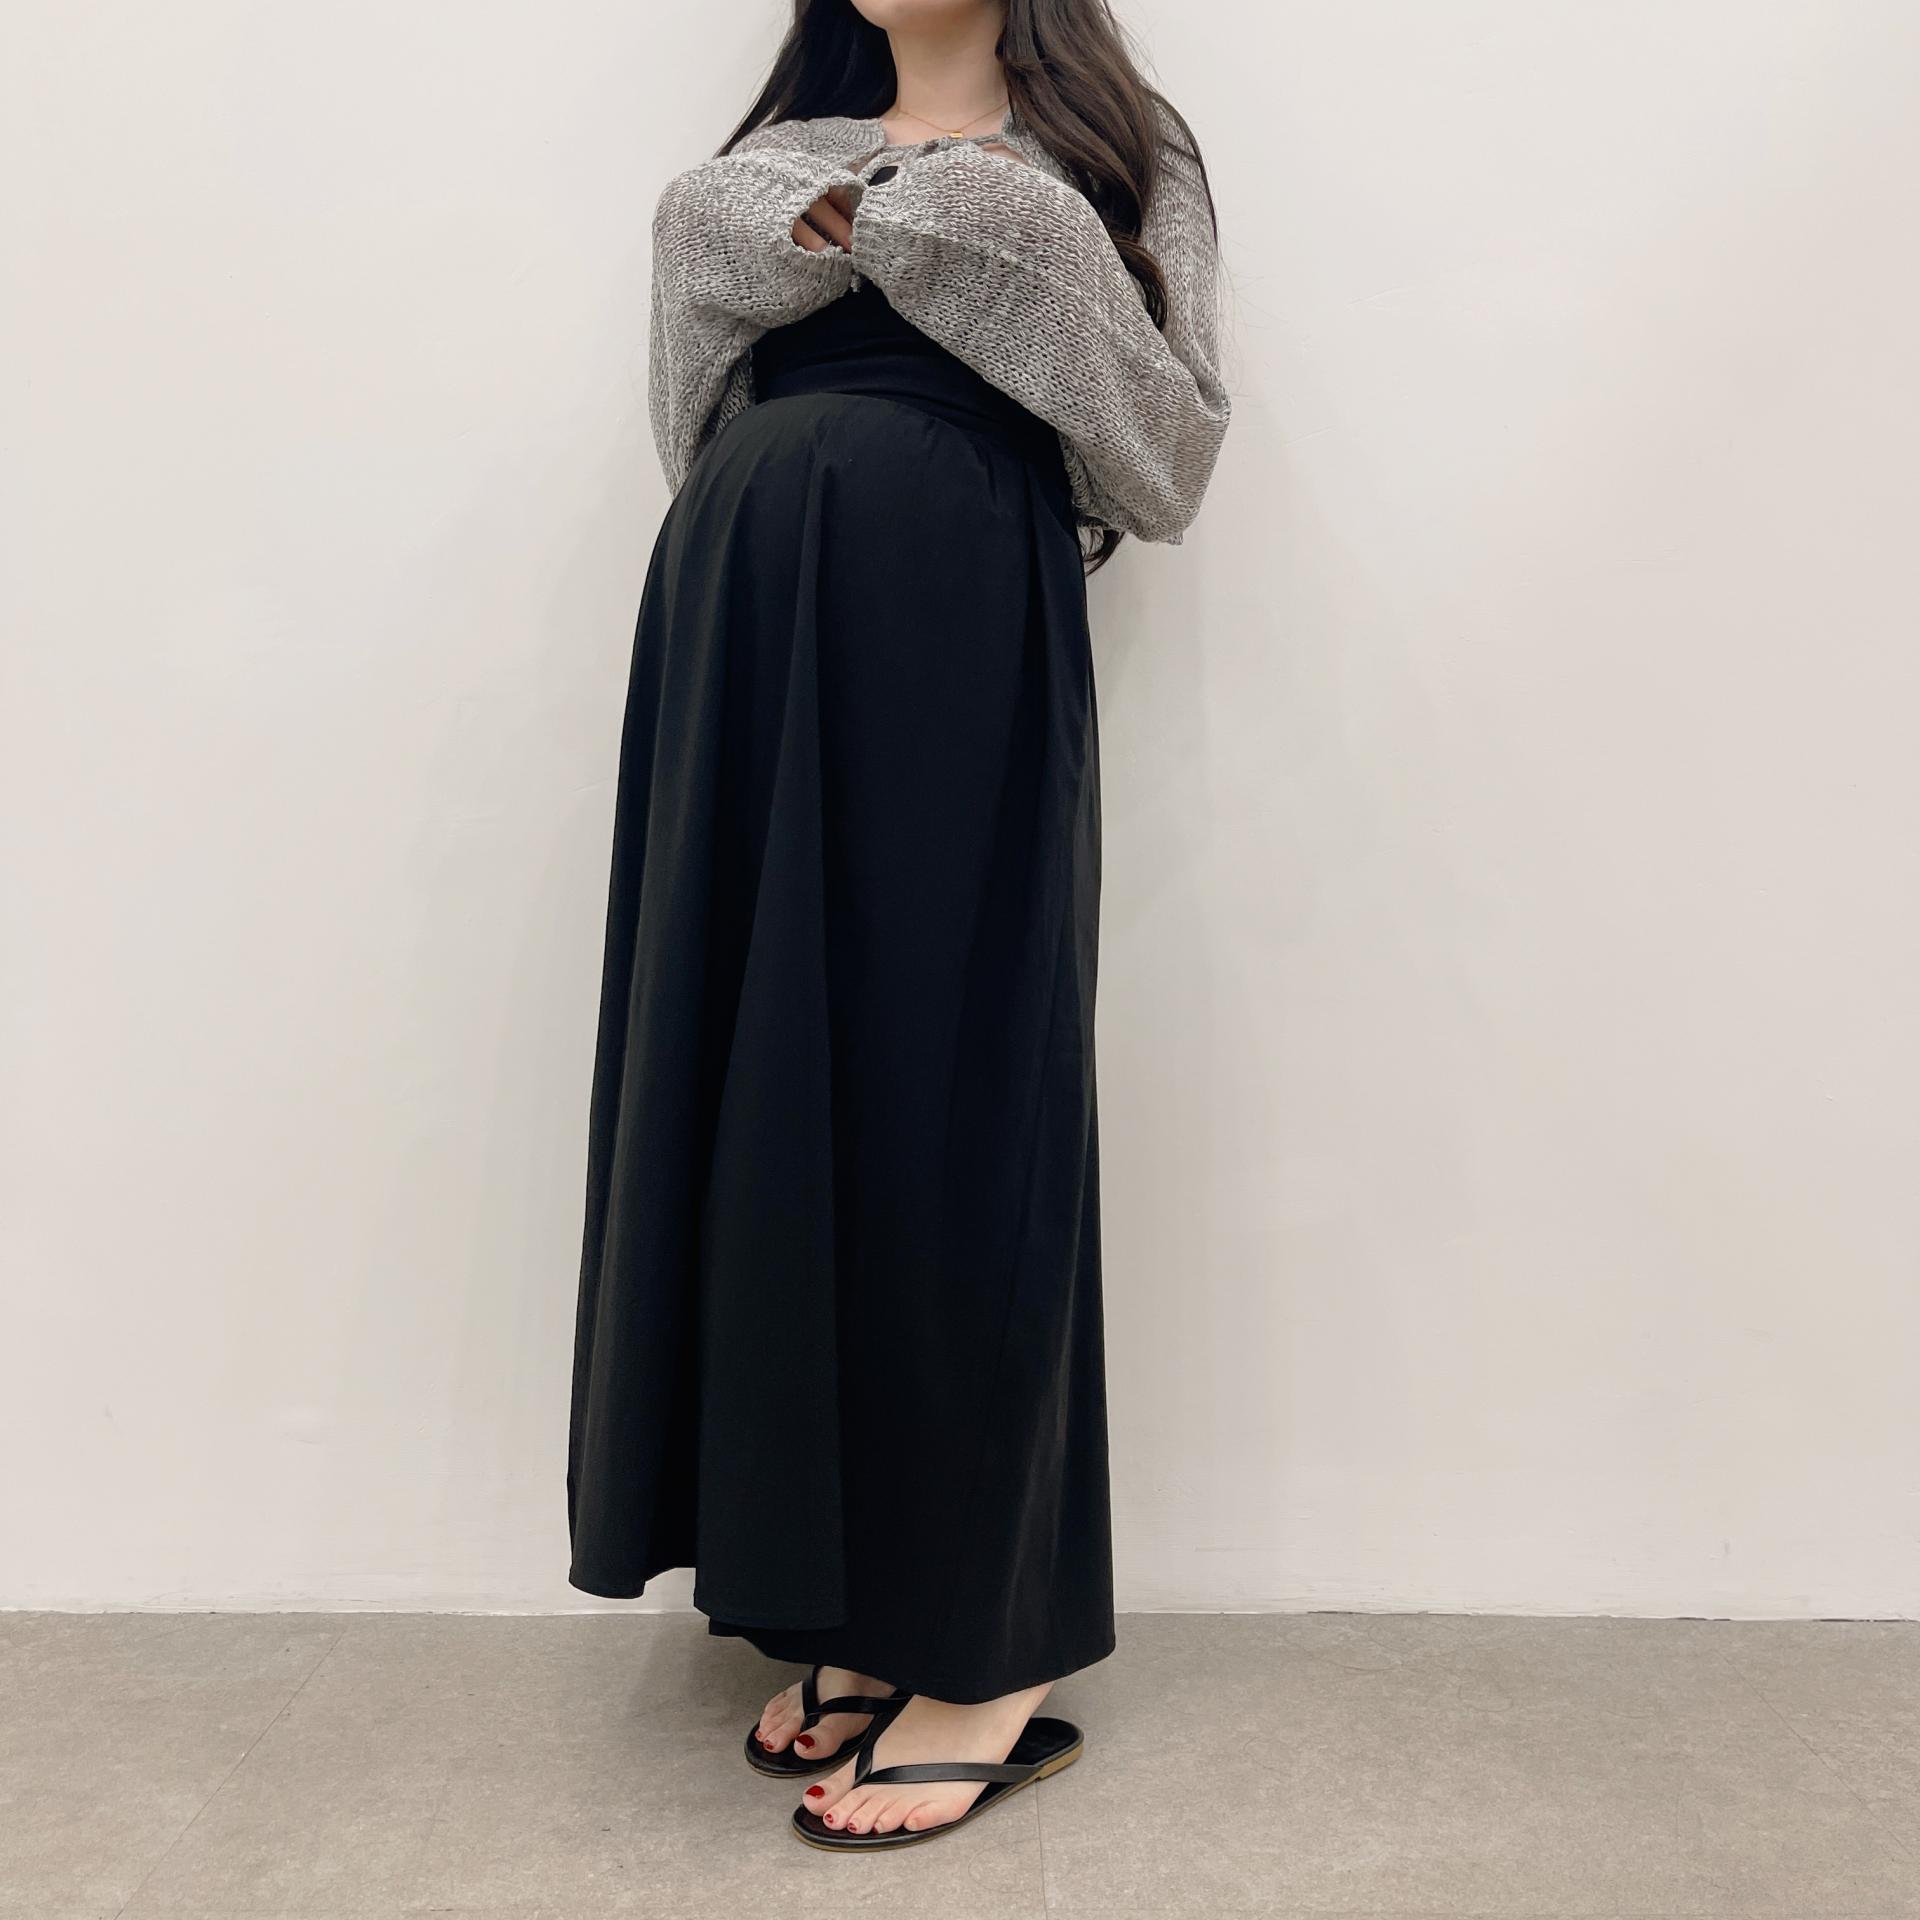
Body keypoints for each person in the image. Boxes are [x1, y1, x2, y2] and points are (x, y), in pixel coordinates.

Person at [566, 0, 1230, 1851]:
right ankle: (854, 1601)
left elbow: (1166, 457)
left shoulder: (1121, 155)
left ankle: (990, 1647)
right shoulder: (770, 149)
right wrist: (831, 213)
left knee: (951, 1102)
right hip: (743, 616)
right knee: (768, 1090)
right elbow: (689, 406)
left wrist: (914, 230)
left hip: (948, 613)